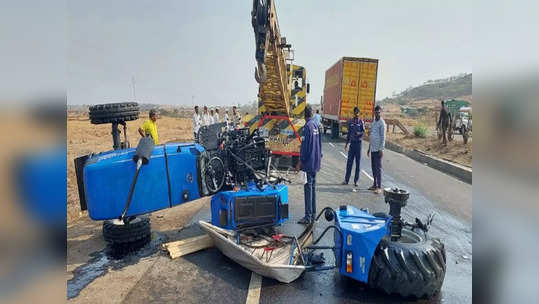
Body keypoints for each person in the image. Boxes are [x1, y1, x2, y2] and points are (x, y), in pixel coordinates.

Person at [297, 105, 322, 225]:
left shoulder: (306, 127)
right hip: (316, 162)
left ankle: (308, 217)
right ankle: (313, 215)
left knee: (308, 189)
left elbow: (304, 147)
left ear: (304, 115)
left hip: (308, 163)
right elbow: (320, 144)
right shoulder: (317, 125)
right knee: (313, 189)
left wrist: (300, 161)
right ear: (312, 114)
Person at [342, 106, 365, 189]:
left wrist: (359, 133)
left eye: (357, 113)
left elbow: (363, 132)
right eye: (355, 112)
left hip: (358, 144)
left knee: (358, 164)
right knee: (349, 163)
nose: (356, 114)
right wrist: (346, 144)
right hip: (352, 145)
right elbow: (348, 134)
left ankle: (356, 181)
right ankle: (346, 180)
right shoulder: (351, 122)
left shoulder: (361, 122)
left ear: (359, 113)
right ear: (354, 113)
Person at [367, 105, 386, 194]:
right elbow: (371, 135)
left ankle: (379, 187)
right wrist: (369, 148)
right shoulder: (374, 122)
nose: (377, 114)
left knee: (378, 168)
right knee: (373, 168)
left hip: (378, 149)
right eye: (376, 112)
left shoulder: (382, 123)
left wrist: (381, 149)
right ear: (374, 113)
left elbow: (383, 137)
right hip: (373, 149)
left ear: (380, 112)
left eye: (379, 112)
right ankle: (374, 184)